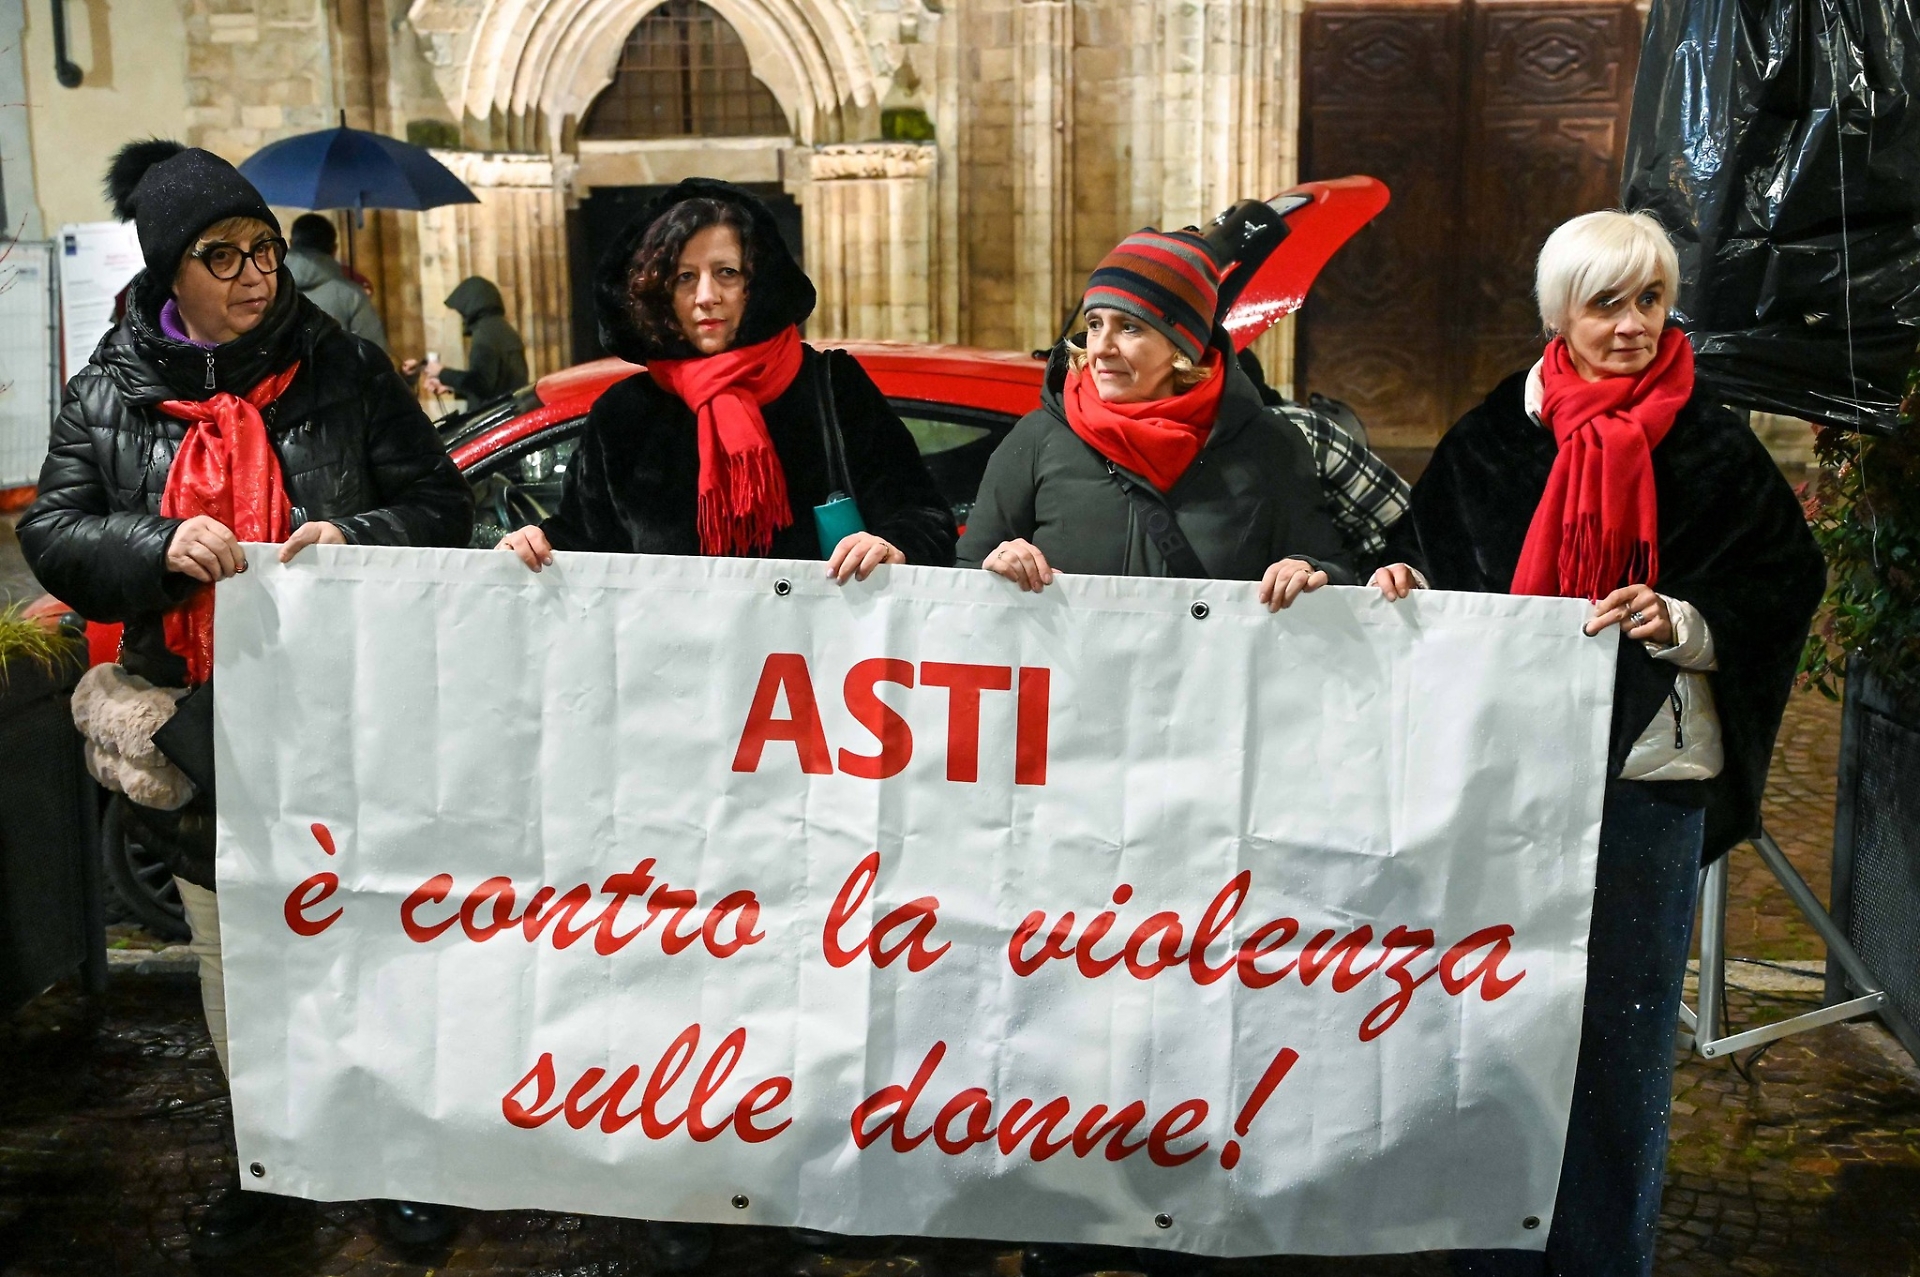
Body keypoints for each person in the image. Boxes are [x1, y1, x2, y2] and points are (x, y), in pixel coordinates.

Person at [18, 139, 474, 1261]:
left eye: (262, 249)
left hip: (351, 717)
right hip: (202, 728)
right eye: (221, 256)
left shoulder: (345, 369)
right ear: (169, 271)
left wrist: (355, 535)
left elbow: (439, 504)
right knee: (238, 954)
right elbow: (55, 533)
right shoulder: (109, 391)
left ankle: (395, 1163)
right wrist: (156, 543)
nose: (255, 274)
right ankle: (268, 1165)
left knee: (369, 940)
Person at [1369, 210, 1824, 1277]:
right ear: (1558, 314)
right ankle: (1489, 1248)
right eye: (1605, 303)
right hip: (1501, 781)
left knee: (1622, 1039)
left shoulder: (1710, 442)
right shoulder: (1494, 437)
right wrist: (1403, 581)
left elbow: (1782, 578)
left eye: (1650, 300)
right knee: (1488, 1022)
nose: (1631, 325)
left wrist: (1682, 619)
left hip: (1644, 779)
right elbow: (1427, 551)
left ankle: (1601, 1253)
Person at [498, 177, 955, 579]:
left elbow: (924, 517)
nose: (706, 296)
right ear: (660, 293)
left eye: (727, 273)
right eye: (684, 277)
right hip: (672, 648)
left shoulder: (833, 387)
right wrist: (535, 544)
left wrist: (892, 546)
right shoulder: (624, 415)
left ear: (755, 284)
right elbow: (585, 542)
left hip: (816, 648)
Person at [956, 227, 1353, 612]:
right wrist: (997, 566)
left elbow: (1333, 571)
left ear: (1183, 346)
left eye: (1129, 327)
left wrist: (1306, 571)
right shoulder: (1037, 438)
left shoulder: (1269, 444)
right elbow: (962, 577)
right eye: (1094, 325)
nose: (1101, 348)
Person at [407, 275, 528, 405]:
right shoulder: (501, 329)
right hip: (509, 408)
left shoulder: (485, 334)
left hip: (498, 413)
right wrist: (451, 388)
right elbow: (494, 385)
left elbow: (481, 383)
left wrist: (441, 372)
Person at [286, 211, 388, 352]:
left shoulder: (267, 290)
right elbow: (375, 353)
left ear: (291, 243)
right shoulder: (352, 296)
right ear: (334, 249)